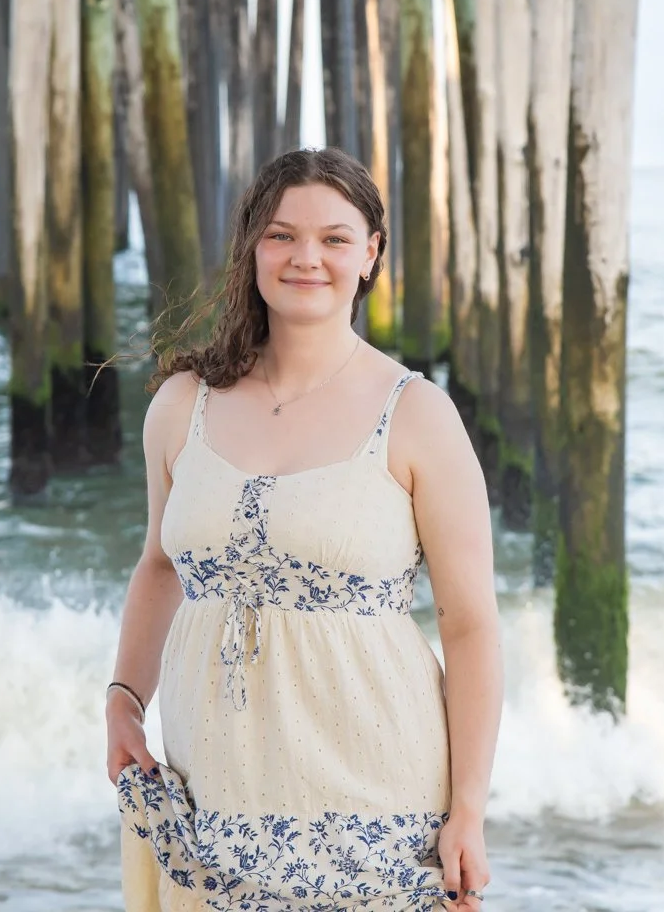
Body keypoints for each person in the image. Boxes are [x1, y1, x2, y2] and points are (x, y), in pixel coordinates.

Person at [105, 147, 503, 911]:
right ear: (252, 246)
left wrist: (469, 810)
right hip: (214, 785)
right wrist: (124, 695)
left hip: (375, 789)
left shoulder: (416, 414)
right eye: (282, 235)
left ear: (370, 254)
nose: (306, 258)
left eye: (334, 238)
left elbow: (472, 625)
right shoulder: (182, 404)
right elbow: (160, 565)